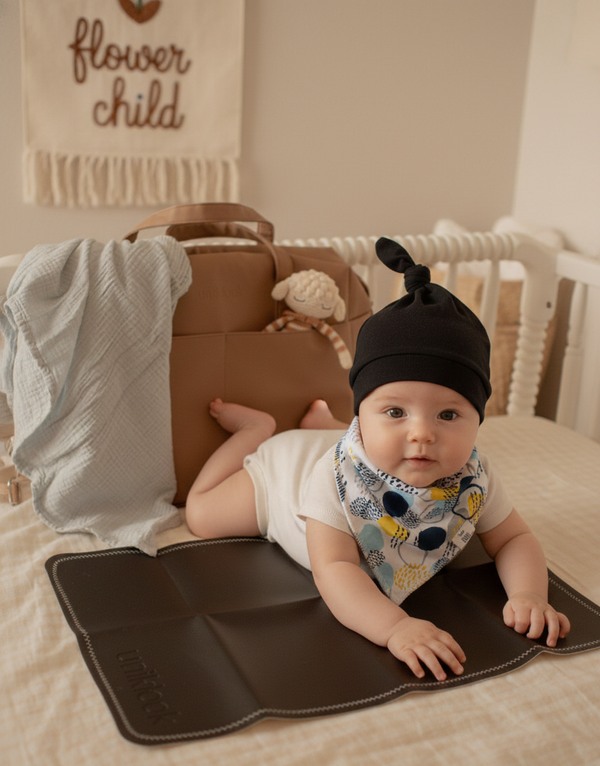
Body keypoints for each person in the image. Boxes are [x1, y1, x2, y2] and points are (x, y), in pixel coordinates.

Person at [186, 237, 570, 682]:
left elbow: (514, 539)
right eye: (395, 412)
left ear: (478, 418)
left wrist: (528, 594)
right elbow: (336, 570)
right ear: (361, 413)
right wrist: (395, 628)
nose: (422, 433)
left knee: (383, 445)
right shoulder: (333, 481)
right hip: (281, 473)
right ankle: (258, 430)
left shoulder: (475, 478)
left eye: (449, 414)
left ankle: (323, 424)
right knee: (200, 515)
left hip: (343, 441)